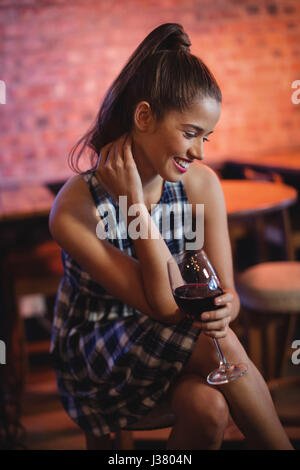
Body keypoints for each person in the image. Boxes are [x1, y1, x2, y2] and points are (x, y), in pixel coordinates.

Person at [49, 23, 293, 450]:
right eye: (190, 133)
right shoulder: (75, 207)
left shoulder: (201, 185)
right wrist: (134, 206)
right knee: (213, 339)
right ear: (143, 116)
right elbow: (163, 305)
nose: (199, 152)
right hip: (99, 357)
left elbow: (226, 294)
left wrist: (224, 309)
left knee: (209, 408)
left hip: (175, 341)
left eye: (206, 137)